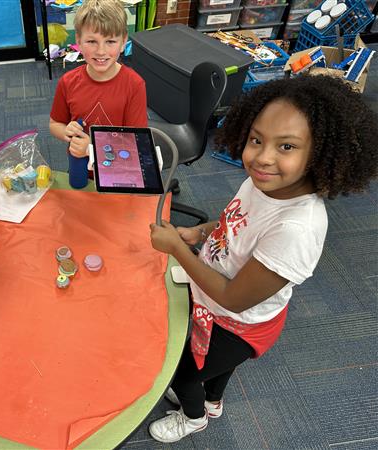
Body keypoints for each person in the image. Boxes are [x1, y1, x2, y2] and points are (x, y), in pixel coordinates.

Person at [148, 75, 378, 443]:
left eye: (286, 146)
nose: (262, 157)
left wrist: (177, 249)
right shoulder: (263, 182)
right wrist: (198, 233)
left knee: (182, 374)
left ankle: (193, 418)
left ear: (319, 152)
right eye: (256, 139)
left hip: (237, 322)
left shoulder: (296, 229)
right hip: (219, 302)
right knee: (212, 370)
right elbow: (233, 221)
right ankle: (212, 401)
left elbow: (234, 297)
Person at [49, 0, 147, 160]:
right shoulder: (68, 82)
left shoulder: (134, 85)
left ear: (123, 42)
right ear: (79, 41)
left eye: (110, 41)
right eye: (92, 41)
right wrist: (66, 131)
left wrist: (92, 148)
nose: (101, 51)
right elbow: (55, 125)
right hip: (80, 168)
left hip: (118, 171)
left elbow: (135, 141)